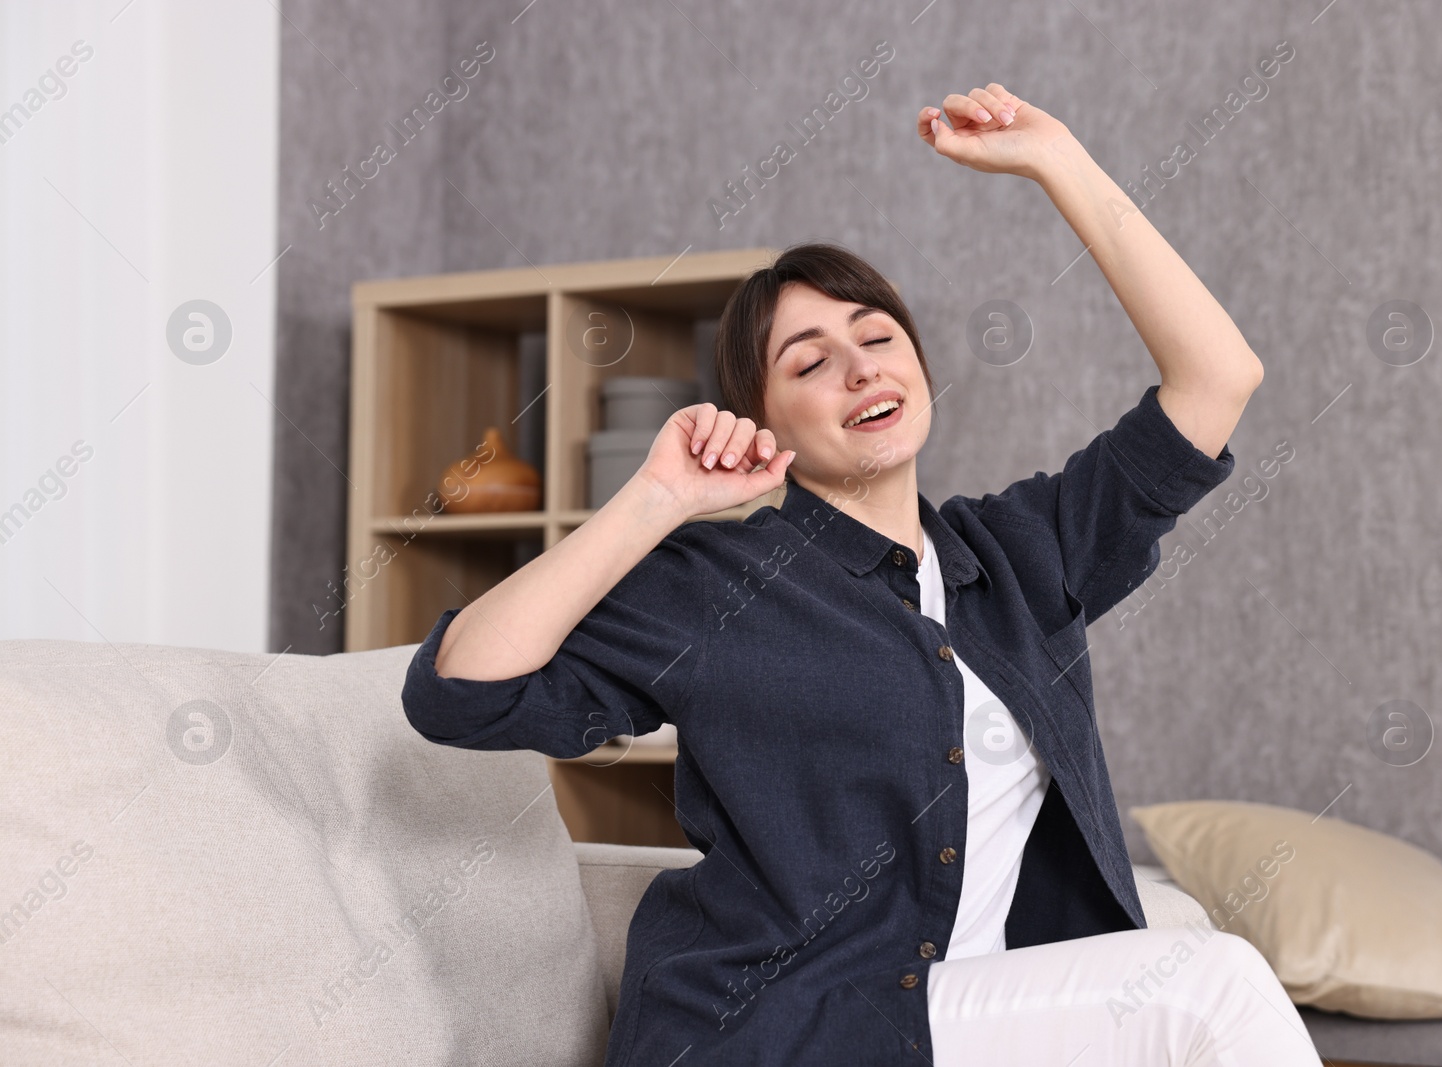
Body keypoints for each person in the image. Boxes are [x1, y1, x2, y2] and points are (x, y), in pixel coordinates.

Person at [401, 84, 1322, 1066]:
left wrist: (1059, 159)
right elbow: (460, 690)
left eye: (876, 338)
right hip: (774, 1029)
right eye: (809, 362)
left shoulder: (1017, 554)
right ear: (762, 413)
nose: (858, 367)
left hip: (949, 1023)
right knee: (1207, 984)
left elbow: (1217, 378)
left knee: (1176, 965)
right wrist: (655, 499)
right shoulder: (723, 578)